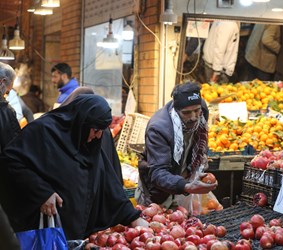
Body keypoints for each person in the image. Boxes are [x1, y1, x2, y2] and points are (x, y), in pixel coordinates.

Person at [0, 94, 148, 240]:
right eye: (95, 130)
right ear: (82, 121)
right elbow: (10, 162)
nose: (98, 136)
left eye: (102, 131)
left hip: (77, 233)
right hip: (44, 230)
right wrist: (42, 192)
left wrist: (133, 217)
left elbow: (108, 184)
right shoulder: (43, 131)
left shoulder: (90, 144)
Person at [135, 81, 217, 208]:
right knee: (160, 221)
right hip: (159, 190)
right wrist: (186, 186)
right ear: (176, 110)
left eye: (196, 111)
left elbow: (200, 142)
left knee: (187, 219)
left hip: (185, 180)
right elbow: (158, 172)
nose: (194, 117)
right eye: (187, 113)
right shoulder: (159, 128)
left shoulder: (202, 110)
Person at [0, 62, 21, 250]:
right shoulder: (5, 112)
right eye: (8, 91)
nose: (7, 95)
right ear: (2, 83)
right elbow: (13, 152)